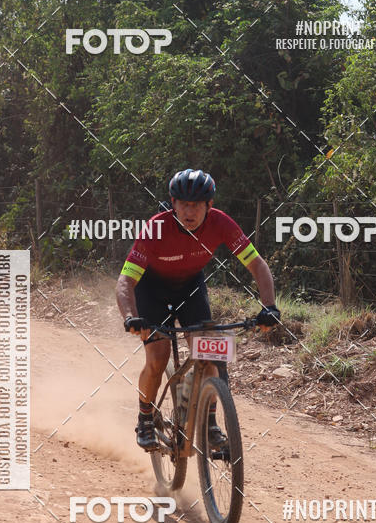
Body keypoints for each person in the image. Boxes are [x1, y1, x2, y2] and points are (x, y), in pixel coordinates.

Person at [116, 168, 280, 451]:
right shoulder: (156, 228)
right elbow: (126, 280)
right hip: (151, 289)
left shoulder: (222, 224)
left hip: (190, 288)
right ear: (173, 203)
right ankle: (145, 417)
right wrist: (131, 317)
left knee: (213, 352)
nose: (189, 211)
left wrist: (269, 307)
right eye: (183, 204)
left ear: (209, 206)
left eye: (196, 205)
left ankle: (211, 423)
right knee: (158, 357)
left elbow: (257, 265)